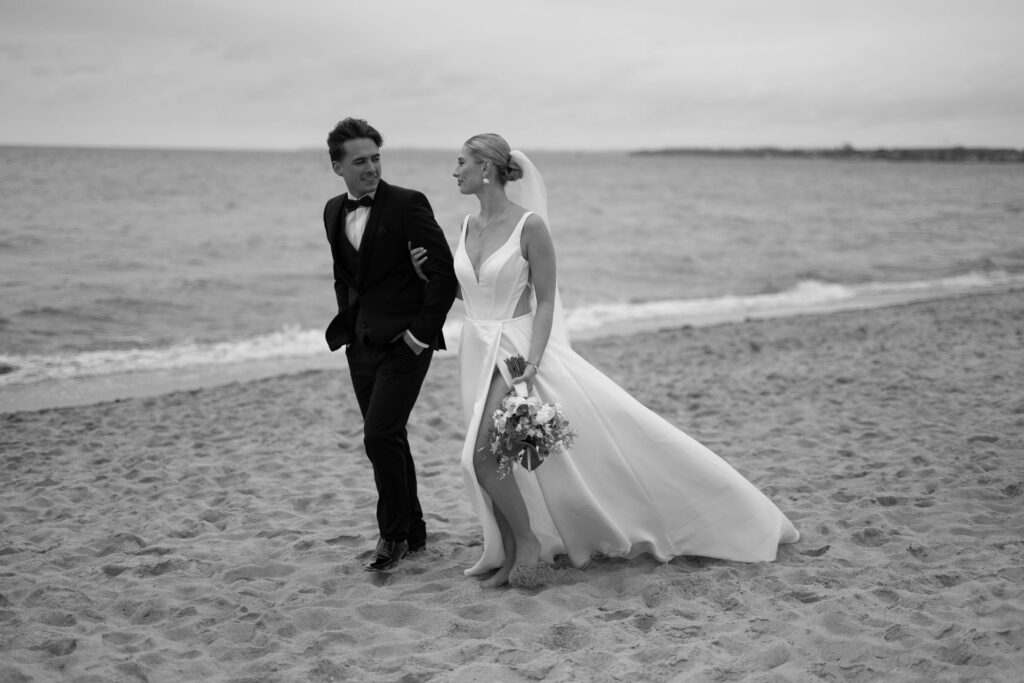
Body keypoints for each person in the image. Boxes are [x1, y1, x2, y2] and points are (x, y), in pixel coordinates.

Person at [411, 133, 799, 588]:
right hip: (475, 350)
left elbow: (546, 301)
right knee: (499, 459)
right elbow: (474, 292)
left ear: (487, 169)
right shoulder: (466, 225)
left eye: (461, 162)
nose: (454, 171)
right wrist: (426, 276)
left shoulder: (530, 227)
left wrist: (531, 365)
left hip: (513, 352)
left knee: (479, 457)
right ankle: (509, 554)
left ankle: (529, 543)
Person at [323, 118, 457, 572]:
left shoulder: (407, 204)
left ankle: (392, 535)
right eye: (360, 161)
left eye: (376, 158)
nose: (371, 168)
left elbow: (443, 275)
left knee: (378, 435)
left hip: (406, 343)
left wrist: (419, 336)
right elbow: (344, 276)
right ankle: (413, 530)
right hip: (361, 344)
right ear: (338, 167)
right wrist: (349, 328)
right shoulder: (332, 211)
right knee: (390, 436)